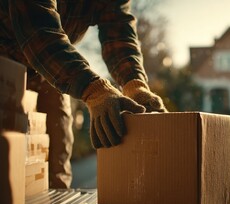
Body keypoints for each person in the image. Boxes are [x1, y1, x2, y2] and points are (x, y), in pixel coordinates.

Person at [0, 0, 167, 188]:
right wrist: (94, 90)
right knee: (7, 154)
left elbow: (118, 30)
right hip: (7, 57)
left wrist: (134, 84)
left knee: (57, 154)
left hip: (50, 69)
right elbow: (39, 32)